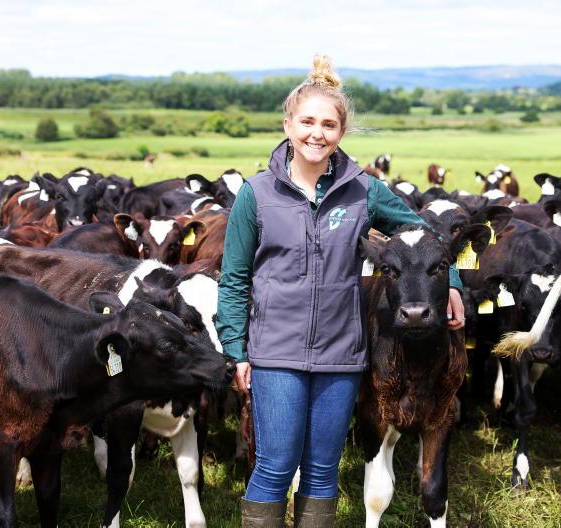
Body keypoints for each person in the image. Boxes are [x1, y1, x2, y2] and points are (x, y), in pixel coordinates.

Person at [216, 55, 465, 528]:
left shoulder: (363, 191)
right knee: (274, 466)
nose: (317, 133)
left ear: (341, 132)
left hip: (341, 353)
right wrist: (236, 349)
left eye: (328, 125)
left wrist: (450, 282)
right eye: (307, 122)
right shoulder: (257, 194)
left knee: (322, 469)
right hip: (276, 351)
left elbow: (423, 234)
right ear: (288, 125)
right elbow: (234, 278)